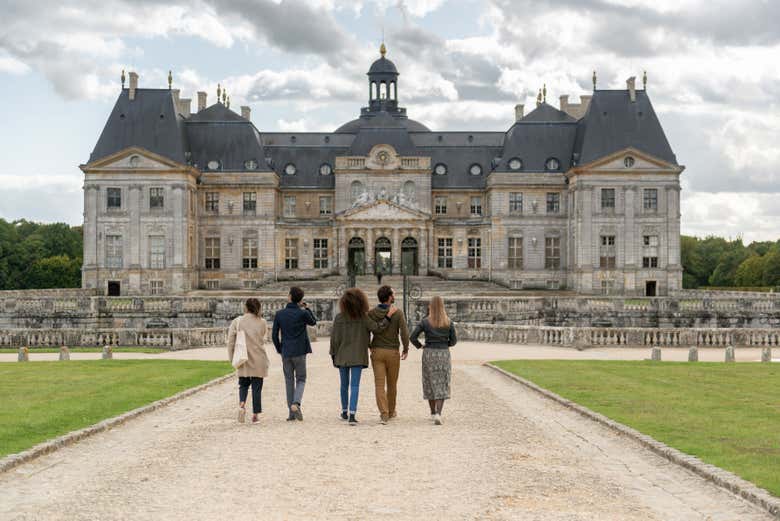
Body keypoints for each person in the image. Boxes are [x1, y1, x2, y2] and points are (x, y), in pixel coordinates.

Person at [330, 288, 396, 425]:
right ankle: (352, 414)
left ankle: (344, 411)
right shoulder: (364, 317)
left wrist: (333, 355)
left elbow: (334, 339)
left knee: (344, 385)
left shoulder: (339, 318)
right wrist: (388, 317)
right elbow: (377, 328)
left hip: (342, 355)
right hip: (358, 356)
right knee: (355, 385)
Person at [272, 286, 317, 421]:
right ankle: (296, 403)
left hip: (286, 351)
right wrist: (307, 308)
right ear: (300, 299)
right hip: (300, 351)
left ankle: (291, 413)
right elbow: (313, 322)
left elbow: (274, 335)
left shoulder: (280, 314)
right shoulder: (302, 313)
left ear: (290, 297)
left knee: (289, 381)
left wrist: (279, 349)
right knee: (301, 379)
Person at [410, 296, 457, 426]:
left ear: (430, 306)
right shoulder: (448, 322)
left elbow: (412, 337)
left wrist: (420, 346)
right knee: (442, 382)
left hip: (429, 353)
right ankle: (439, 413)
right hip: (443, 354)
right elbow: (453, 341)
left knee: (429, 381)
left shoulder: (425, 322)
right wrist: (444, 343)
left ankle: (432, 412)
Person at [368, 285, 410, 424]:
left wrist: (370, 346)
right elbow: (404, 332)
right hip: (392, 352)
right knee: (392, 384)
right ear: (389, 297)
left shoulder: (372, 313)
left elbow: (366, 331)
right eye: (393, 293)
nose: (395, 295)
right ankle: (391, 411)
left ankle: (384, 413)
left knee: (379, 385)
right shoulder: (397, 313)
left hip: (377, 351)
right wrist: (406, 348)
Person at [227, 298, 269, 424]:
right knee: (257, 388)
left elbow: (230, 341)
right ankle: (255, 415)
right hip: (258, 358)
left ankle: (242, 404)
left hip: (243, 357)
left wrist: (232, 358)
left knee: (243, 385)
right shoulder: (262, 322)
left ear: (246, 307)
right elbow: (264, 339)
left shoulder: (238, 321)